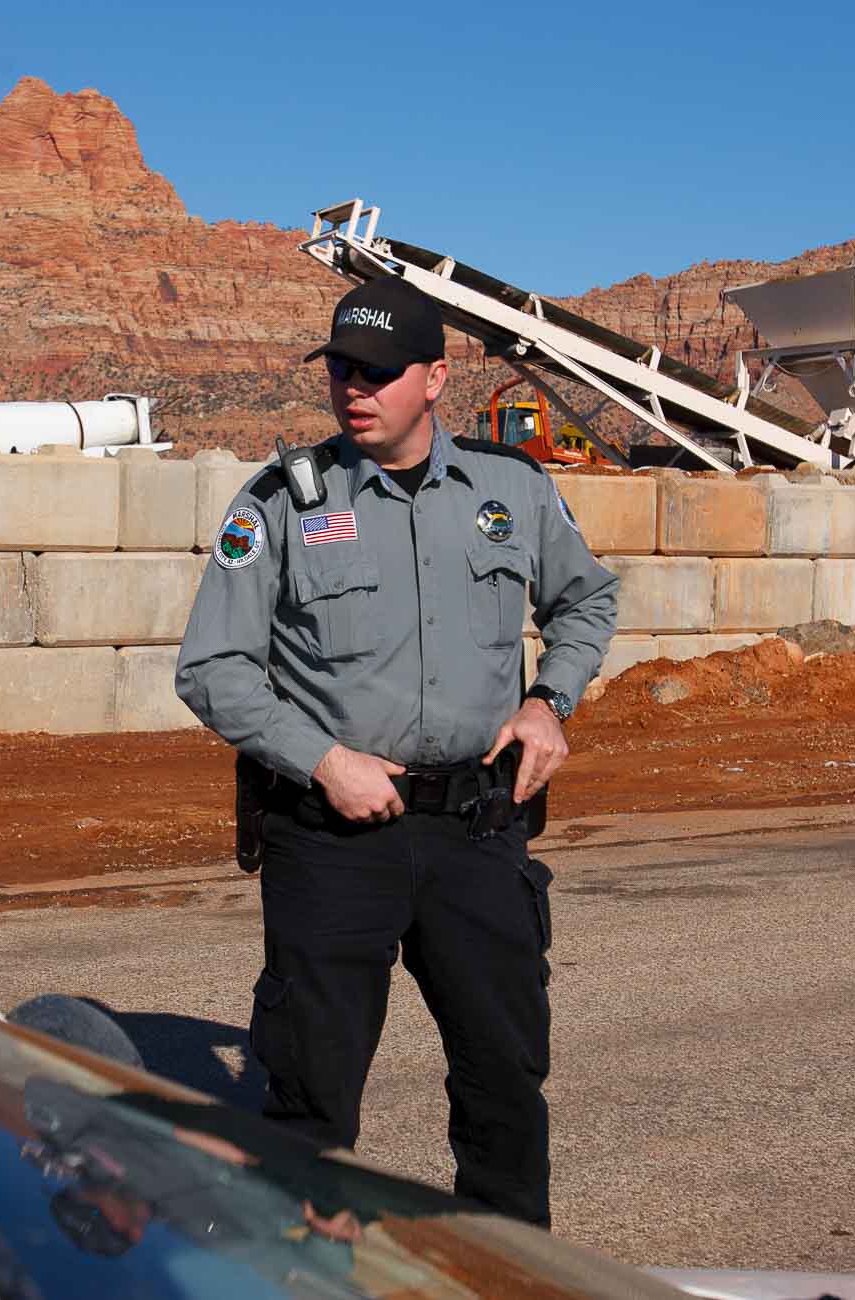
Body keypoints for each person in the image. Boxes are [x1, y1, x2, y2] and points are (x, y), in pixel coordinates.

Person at [174, 274, 619, 1227]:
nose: (353, 389)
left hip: (478, 828)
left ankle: (504, 1276)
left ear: (436, 379)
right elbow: (213, 666)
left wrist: (549, 703)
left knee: (504, 1083)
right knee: (311, 1100)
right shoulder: (281, 502)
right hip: (333, 841)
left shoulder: (513, 489)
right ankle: (305, 1277)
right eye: (340, 368)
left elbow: (587, 600)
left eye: (377, 371)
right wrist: (324, 760)